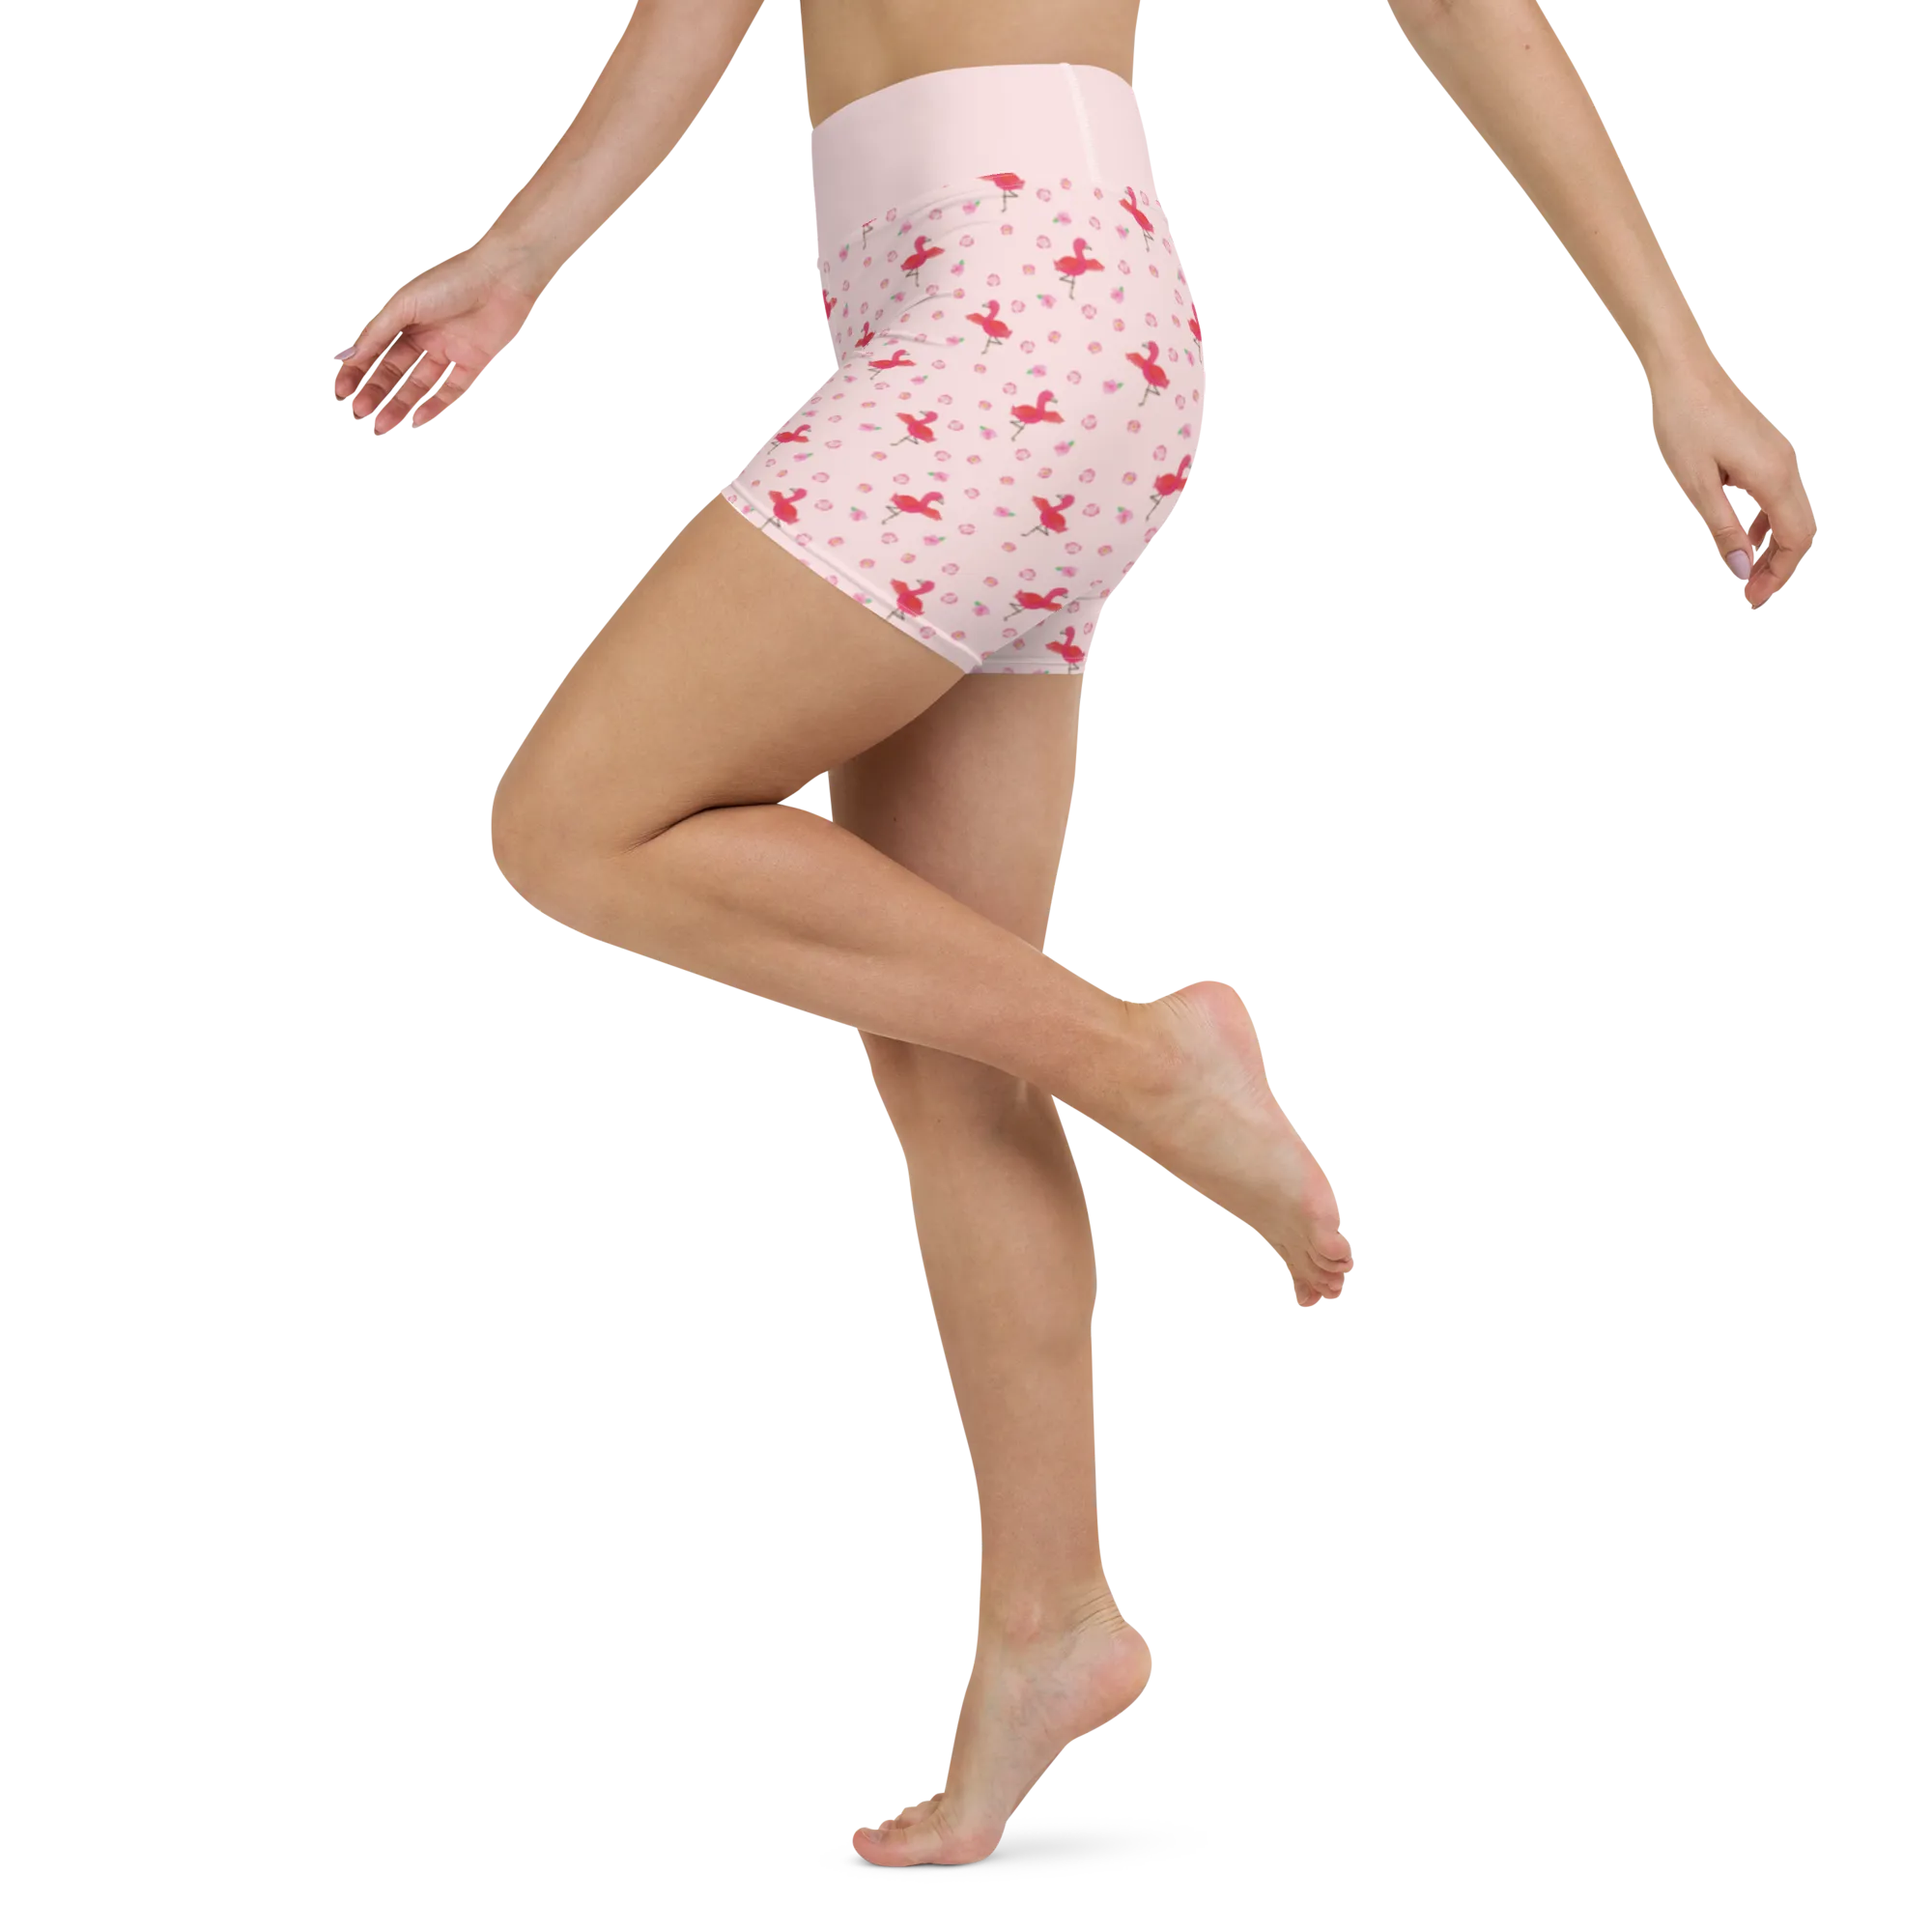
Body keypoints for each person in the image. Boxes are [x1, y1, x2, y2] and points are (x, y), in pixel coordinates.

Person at [328, 2, 1803, 1867]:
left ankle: (1151, 1061)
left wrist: (1679, 356)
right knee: (953, 1041)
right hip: (958, 318)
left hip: (1022, 312)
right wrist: (518, 260)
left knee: (571, 820)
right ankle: (1052, 1622)